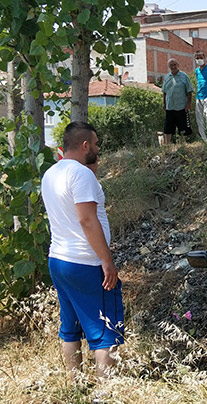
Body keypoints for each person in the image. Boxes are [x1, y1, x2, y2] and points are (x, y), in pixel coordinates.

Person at [41, 122, 124, 380]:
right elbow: (87, 220)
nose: (98, 149)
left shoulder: (51, 174)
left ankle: (74, 387)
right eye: (96, 144)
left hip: (58, 260)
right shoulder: (81, 174)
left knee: (70, 328)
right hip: (85, 263)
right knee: (104, 331)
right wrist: (106, 261)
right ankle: (105, 400)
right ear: (85, 145)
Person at [162, 58, 193, 144]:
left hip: (181, 107)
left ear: (178, 65)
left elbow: (189, 92)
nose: (173, 67)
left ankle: (181, 144)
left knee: (182, 128)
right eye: (171, 65)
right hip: (170, 106)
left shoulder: (184, 76)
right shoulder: (167, 77)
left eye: (174, 65)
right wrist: (164, 104)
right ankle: (167, 144)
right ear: (169, 67)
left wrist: (188, 104)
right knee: (168, 128)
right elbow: (164, 92)